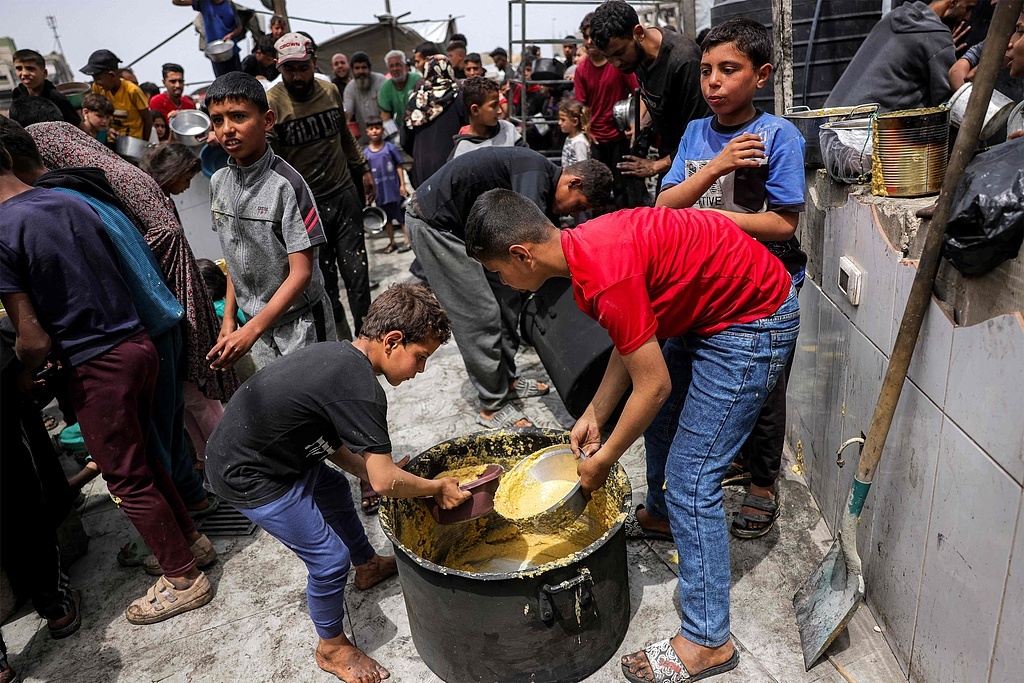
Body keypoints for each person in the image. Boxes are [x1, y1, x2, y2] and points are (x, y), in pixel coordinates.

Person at [464, 190, 799, 683]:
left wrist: (603, 461)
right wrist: (596, 413)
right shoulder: (584, 250)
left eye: (498, 272)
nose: (503, 282)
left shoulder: (604, 274)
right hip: (707, 310)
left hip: (752, 320)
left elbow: (653, 385)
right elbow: (634, 341)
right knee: (661, 425)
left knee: (691, 481)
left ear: (521, 255)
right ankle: (661, 517)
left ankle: (708, 640)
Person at [0, 137, 215, 626]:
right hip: (138, 344)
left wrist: (26, 371)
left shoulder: (3, 228)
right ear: (9, 156)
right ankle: (192, 543)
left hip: (95, 364)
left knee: (126, 477)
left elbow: (32, 339)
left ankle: (182, 577)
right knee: (146, 458)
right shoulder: (67, 198)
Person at [204, 283, 468, 682]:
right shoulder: (361, 389)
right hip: (248, 472)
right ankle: (331, 647)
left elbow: (329, 444)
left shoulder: (341, 357)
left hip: (274, 451)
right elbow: (384, 482)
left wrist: (382, 473)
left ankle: (367, 566)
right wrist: (436, 487)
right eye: (420, 357)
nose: (421, 370)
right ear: (392, 341)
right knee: (328, 561)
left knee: (333, 489)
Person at [655, 17, 808, 540]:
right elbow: (664, 205)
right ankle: (722, 464)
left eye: (729, 69)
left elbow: (783, 224)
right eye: (705, 71)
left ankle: (762, 484)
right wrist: (715, 167)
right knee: (703, 380)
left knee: (763, 388)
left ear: (761, 75)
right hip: (706, 284)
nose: (713, 82)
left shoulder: (777, 136)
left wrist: (712, 220)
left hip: (766, 287)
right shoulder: (696, 133)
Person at [27, 120, 241, 410]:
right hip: (158, 323)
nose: (187, 186)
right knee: (188, 404)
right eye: (186, 179)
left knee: (186, 404)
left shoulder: (116, 202)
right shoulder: (125, 198)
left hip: (152, 325)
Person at [407, 147, 611, 427]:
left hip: (476, 232)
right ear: (573, 183)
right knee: (480, 313)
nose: (574, 214)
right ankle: (493, 405)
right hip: (435, 224)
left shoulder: (539, 177)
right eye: (578, 206)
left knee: (508, 301)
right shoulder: (534, 176)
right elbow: (528, 241)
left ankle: (506, 380)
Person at [203, 71, 336, 371]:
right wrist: (229, 320)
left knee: (317, 393)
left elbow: (301, 273)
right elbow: (233, 258)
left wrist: (251, 330)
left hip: (301, 326)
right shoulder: (219, 183)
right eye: (218, 120)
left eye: (238, 116)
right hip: (259, 332)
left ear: (267, 120)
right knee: (280, 398)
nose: (227, 129)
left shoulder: (287, 185)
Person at [267, 33, 374, 341]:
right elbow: (270, 160)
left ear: (314, 62)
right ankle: (340, 342)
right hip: (306, 208)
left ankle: (367, 340)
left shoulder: (329, 91)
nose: (297, 76)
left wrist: (363, 168)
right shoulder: (273, 103)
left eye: (303, 68)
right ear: (279, 67)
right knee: (323, 282)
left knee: (357, 273)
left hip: (343, 194)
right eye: (289, 70)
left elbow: (344, 135)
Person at [820, 0, 974, 181]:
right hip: (859, 153)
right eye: (968, 8)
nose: (968, 16)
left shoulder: (893, 19)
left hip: (827, 142)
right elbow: (949, 108)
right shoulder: (936, 36)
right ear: (953, 2)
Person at [590, 0, 708, 183]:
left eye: (619, 53)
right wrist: (643, 127)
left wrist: (656, 166)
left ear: (638, 33)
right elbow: (656, 98)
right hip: (670, 155)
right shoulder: (635, 58)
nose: (615, 64)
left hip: (695, 164)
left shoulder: (684, 62)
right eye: (608, 57)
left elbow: (701, 134)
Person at [574, 12, 644, 208]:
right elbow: (581, 105)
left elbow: (639, 93)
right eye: (585, 37)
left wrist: (635, 124)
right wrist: (587, 131)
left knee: (624, 189)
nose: (589, 41)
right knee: (597, 191)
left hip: (620, 137)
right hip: (596, 139)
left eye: (592, 36)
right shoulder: (581, 70)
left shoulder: (618, 64)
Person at [402, 55, 468, 186]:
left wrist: (419, 153)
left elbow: (404, 139)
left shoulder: (415, 100)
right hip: (452, 164)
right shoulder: (458, 96)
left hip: (423, 166)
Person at [81, 49, 153, 141]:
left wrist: (143, 143)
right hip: (110, 139)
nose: (96, 82)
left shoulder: (133, 91)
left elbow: (148, 119)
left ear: (112, 75)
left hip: (133, 141)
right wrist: (108, 129)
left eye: (99, 79)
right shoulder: (98, 88)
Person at [364, 117, 410, 254]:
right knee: (386, 220)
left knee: (401, 217)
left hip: (393, 190)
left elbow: (399, 166)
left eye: (377, 128)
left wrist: (402, 185)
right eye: (371, 129)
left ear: (382, 130)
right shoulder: (366, 153)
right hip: (380, 192)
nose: (374, 131)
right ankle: (392, 242)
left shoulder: (390, 148)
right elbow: (366, 175)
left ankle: (407, 241)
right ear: (367, 132)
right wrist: (368, 192)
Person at [450, 76, 525, 158]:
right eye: (493, 106)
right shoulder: (463, 151)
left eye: (499, 104)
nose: (499, 111)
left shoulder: (508, 130)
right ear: (475, 110)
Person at [174, 0, 244, 77]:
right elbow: (177, 2)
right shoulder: (203, 3)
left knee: (238, 78)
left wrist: (231, 35)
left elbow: (239, 26)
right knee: (221, 80)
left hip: (231, 50)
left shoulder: (229, 4)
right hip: (215, 53)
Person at [12, 49, 81, 126]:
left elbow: (78, 126)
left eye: (30, 68)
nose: (24, 73)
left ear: (44, 73)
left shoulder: (56, 97)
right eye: (19, 68)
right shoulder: (18, 93)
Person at [343, 52, 387, 146]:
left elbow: (385, 109)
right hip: (363, 139)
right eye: (357, 68)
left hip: (384, 137)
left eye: (364, 67)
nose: (360, 71)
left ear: (369, 68)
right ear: (352, 70)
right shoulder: (350, 88)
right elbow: (348, 115)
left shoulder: (380, 80)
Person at [378, 50, 422, 123]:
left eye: (398, 65)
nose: (395, 69)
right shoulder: (385, 87)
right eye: (391, 66)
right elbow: (385, 117)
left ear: (406, 66)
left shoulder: (416, 79)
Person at [559, 99, 593, 165]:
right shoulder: (570, 138)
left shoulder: (579, 142)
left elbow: (583, 166)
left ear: (575, 121)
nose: (559, 123)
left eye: (563, 120)